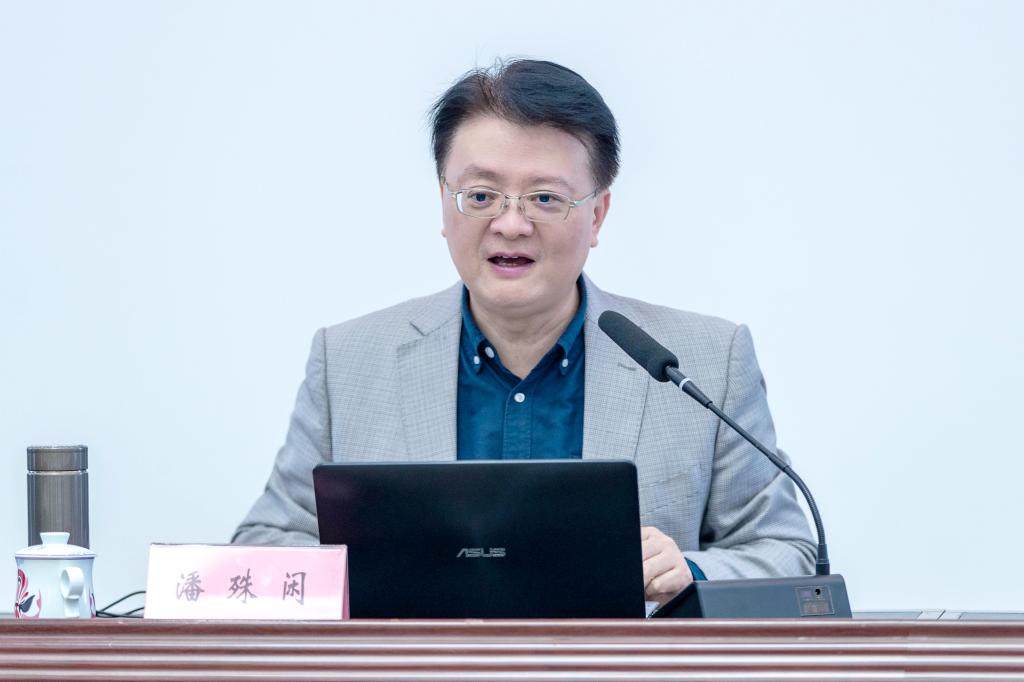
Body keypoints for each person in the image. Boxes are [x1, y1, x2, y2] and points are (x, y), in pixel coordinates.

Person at [233, 59, 814, 604]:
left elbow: (785, 551)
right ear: (444, 204)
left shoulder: (703, 360)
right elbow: (264, 546)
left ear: (597, 215)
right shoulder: (349, 361)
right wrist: (362, 570)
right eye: (481, 196)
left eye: (544, 198)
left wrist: (692, 572)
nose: (511, 224)